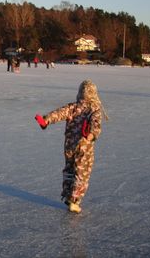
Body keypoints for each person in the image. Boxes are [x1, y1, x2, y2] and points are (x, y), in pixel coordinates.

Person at [35, 80, 107, 213]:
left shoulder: (73, 107)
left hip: (69, 145)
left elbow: (60, 113)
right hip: (84, 147)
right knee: (82, 173)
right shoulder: (94, 109)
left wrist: (46, 120)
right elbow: (96, 124)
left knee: (69, 169)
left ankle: (68, 195)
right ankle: (75, 200)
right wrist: (91, 135)